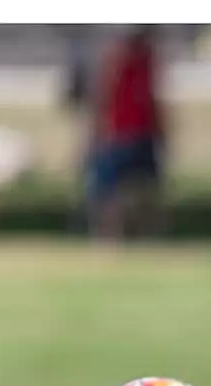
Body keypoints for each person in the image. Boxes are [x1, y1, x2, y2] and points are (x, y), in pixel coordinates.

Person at [87, 26, 166, 240]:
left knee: (146, 191)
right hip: (119, 135)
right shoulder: (117, 59)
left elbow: (152, 99)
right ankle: (110, 237)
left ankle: (148, 236)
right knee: (111, 193)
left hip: (140, 133)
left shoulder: (147, 60)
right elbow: (103, 99)